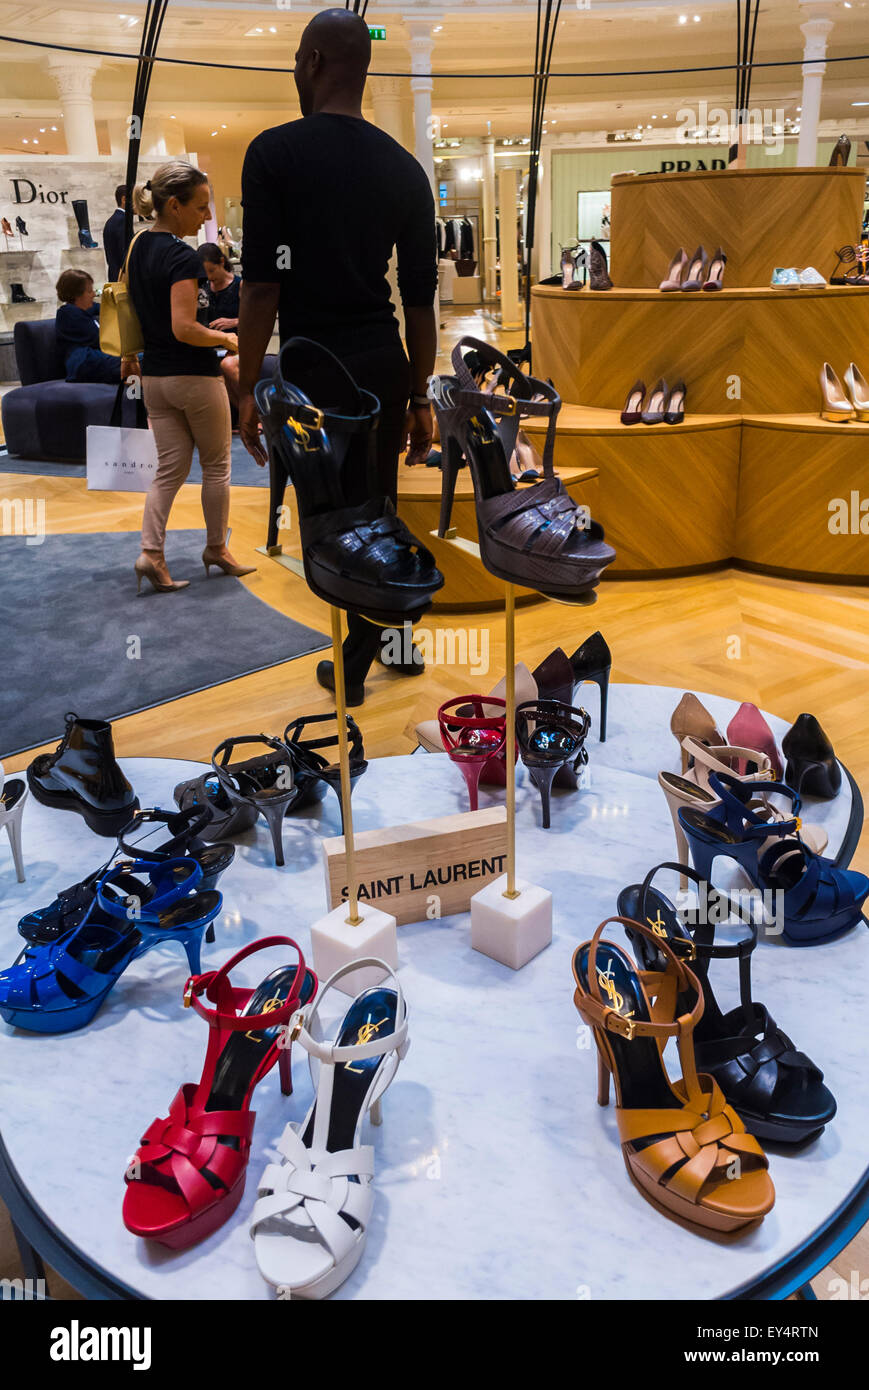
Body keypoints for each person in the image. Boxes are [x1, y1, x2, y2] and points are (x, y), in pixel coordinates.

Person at [238, 7, 437, 705]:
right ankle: (399, 643)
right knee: (376, 506)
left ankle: (352, 665)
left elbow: (261, 286)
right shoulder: (404, 169)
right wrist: (418, 398)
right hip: (382, 362)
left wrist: (246, 391)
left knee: (331, 524)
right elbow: (419, 304)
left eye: (297, 57)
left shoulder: (274, 153)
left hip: (315, 367)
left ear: (312, 62)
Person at [127, 160, 255, 594]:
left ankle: (151, 553)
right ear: (175, 205)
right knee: (217, 466)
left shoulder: (137, 246)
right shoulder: (181, 257)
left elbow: (130, 313)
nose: (205, 217)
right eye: (200, 208)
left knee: (168, 470)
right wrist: (236, 344)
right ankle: (216, 548)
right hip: (194, 378)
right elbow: (185, 326)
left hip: (155, 379)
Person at [55, 269, 124, 384]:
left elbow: (103, 308)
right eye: (89, 291)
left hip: (96, 360)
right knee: (140, 360)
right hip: (83, 363)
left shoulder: (83, 309)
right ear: (76, 294)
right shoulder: (68, 313)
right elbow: (101, 341)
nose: (93, 294)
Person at [198, 241, 241, 407]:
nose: (209, 277)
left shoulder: (239, 286)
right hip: (213, 346)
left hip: (238, 344)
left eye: (212, 270)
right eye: (205, 273)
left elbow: (257, 320)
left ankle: (250, 411)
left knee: (227, 366)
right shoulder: (203, 289)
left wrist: (233, 321)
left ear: (222, 262)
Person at [103, 184, 131, 283]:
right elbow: (125, 255)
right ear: (124, 199)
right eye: (135, 199)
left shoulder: (112, 220)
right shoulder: (122, 221)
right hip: (123, 280)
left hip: (114, 276)